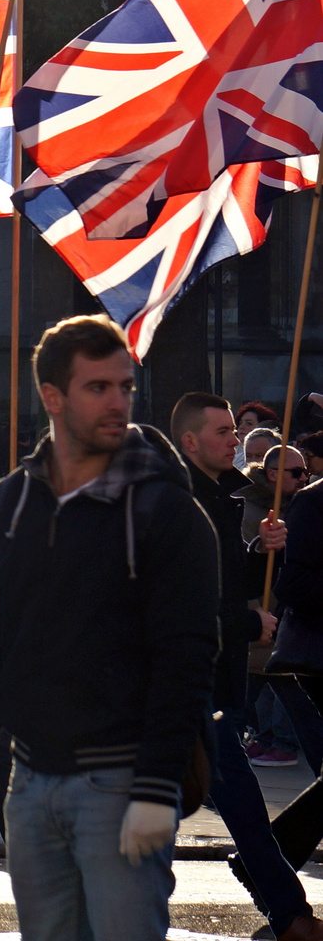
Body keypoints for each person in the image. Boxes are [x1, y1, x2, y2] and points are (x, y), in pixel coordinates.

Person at [0, 315, 219, 941]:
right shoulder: (9, 502)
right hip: (31, 780)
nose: (118, 401)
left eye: (124, 385)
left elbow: (186, 655)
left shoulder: (164, 508)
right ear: (52, 396)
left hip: (120, 781)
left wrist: (156, 784)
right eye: (97, 387)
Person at [170, 393, 323, 941]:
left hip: (210, 677)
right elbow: (177, 600)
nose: (236, 439)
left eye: (236, 430)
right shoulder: (176, 502)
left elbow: (227, 578)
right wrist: (243, 623)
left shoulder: (218, 496)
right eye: (223, 432)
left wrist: (262, 551)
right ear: (190, 442)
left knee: (161, 808)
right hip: (182, 681)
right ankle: (289, 914)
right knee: (239, 802)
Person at [246, 444, 308, 544]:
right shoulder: (248, 514)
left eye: (305, 472)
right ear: (272, 475)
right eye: (296, 472)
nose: (304, 478)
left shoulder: (300, 507)